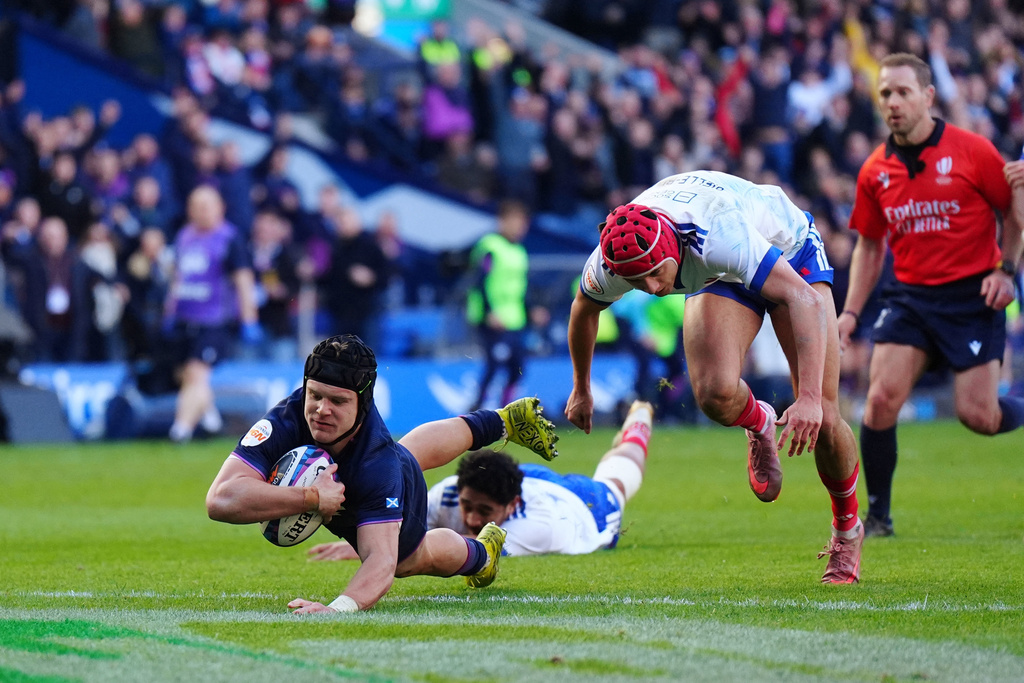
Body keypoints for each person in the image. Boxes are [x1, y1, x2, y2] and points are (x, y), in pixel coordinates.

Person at [566, 170, 864, 584]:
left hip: (789, 254)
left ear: (671, 248)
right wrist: (581, 387)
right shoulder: (612, 258)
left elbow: (803, 298)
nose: (650, 288)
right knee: (714, 394)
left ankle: (847, 529)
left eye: (654, 273)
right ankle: (758, 421)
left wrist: (810, 397)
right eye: (636, 281)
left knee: (826, 418)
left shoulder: (718, 235)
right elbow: (584, 308)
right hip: (723, 272)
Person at [206, 334, 560, 613]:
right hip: (371, 469)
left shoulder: (378, 464)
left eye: (339, 401)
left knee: (410, 559)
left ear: (364, 403)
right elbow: (221, 500)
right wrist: (311, 497)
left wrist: (337, 608)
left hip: (385, 476)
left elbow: (381, 562)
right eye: (314, 395)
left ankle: (482, 554)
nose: (320, 410)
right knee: (407, 454)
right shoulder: (287, 416)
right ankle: (500, 421)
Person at [837, 53, 1024, 538]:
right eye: (884, 94)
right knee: (878, 402)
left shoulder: (973, 151)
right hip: (910, 298)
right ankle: (876, 517)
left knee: (979, 417)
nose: (892, 103)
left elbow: (1013, 214)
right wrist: (851, 312)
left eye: (902, 92)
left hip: (973, 297)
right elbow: (870, 245)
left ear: (928, 96)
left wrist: (1007, 273)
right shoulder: (874, 171)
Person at [308, 400, 653, 561]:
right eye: (467, 505)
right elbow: (391, 526)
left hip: (579, 506)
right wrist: (365, 544)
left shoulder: (540, 527)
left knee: (617, 483)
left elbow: (472, 549)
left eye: (484, 511)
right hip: (523, 479)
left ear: (512, 506)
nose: (472, 518)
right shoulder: (446, 495)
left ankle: (639, 422)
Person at [164, 185, 262, 442]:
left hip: (215, 320)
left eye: (206, 206)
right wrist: (170, 310)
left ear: (220, 208)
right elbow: (178, 277)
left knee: (197, 371)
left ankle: (180, 430)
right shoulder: (184, 236)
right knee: (186, 373)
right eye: (195, 206)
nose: (200, 211)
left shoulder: (229, 238)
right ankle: (210, 419)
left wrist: (249, 318)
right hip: (186, 318)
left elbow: (243, 278)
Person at [466, 199, 532, 411]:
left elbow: (521, 287)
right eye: (516, 221)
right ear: (502, 221)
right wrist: (489, 312)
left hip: (514, 318)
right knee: (494, 365)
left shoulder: (520, 251)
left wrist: (532, 310)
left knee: (518, 367)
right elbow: (479, 281)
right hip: (491, 318)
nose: (520, 227)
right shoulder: (490, 246)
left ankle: (506, 411)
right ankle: (476, 410)